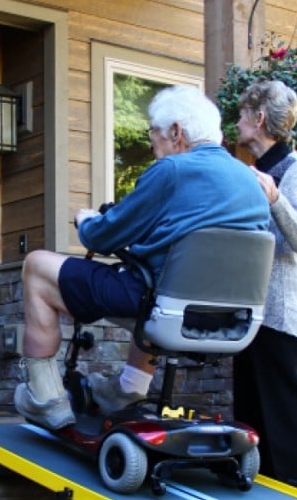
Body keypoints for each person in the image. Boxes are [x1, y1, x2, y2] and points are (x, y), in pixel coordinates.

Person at [15, 85, 271, 430]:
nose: (151, 144)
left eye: (153, 134)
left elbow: (102, 237)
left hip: (160, 306)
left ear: (176, 133)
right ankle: (128, 391)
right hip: (230, 319)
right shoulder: (252, 182)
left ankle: (46, 399)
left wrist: (87, 219)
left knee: (37, 266)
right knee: (157, 279)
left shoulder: (172, 171)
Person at [232, 79, 297, 495]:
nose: (237, 122)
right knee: (254, 427)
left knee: (287, 430)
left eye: (241, 115)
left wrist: (275, 199)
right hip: (250, 316)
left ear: (259, 118)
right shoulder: (256, 169)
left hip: (281, 318)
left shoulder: (295, 170)